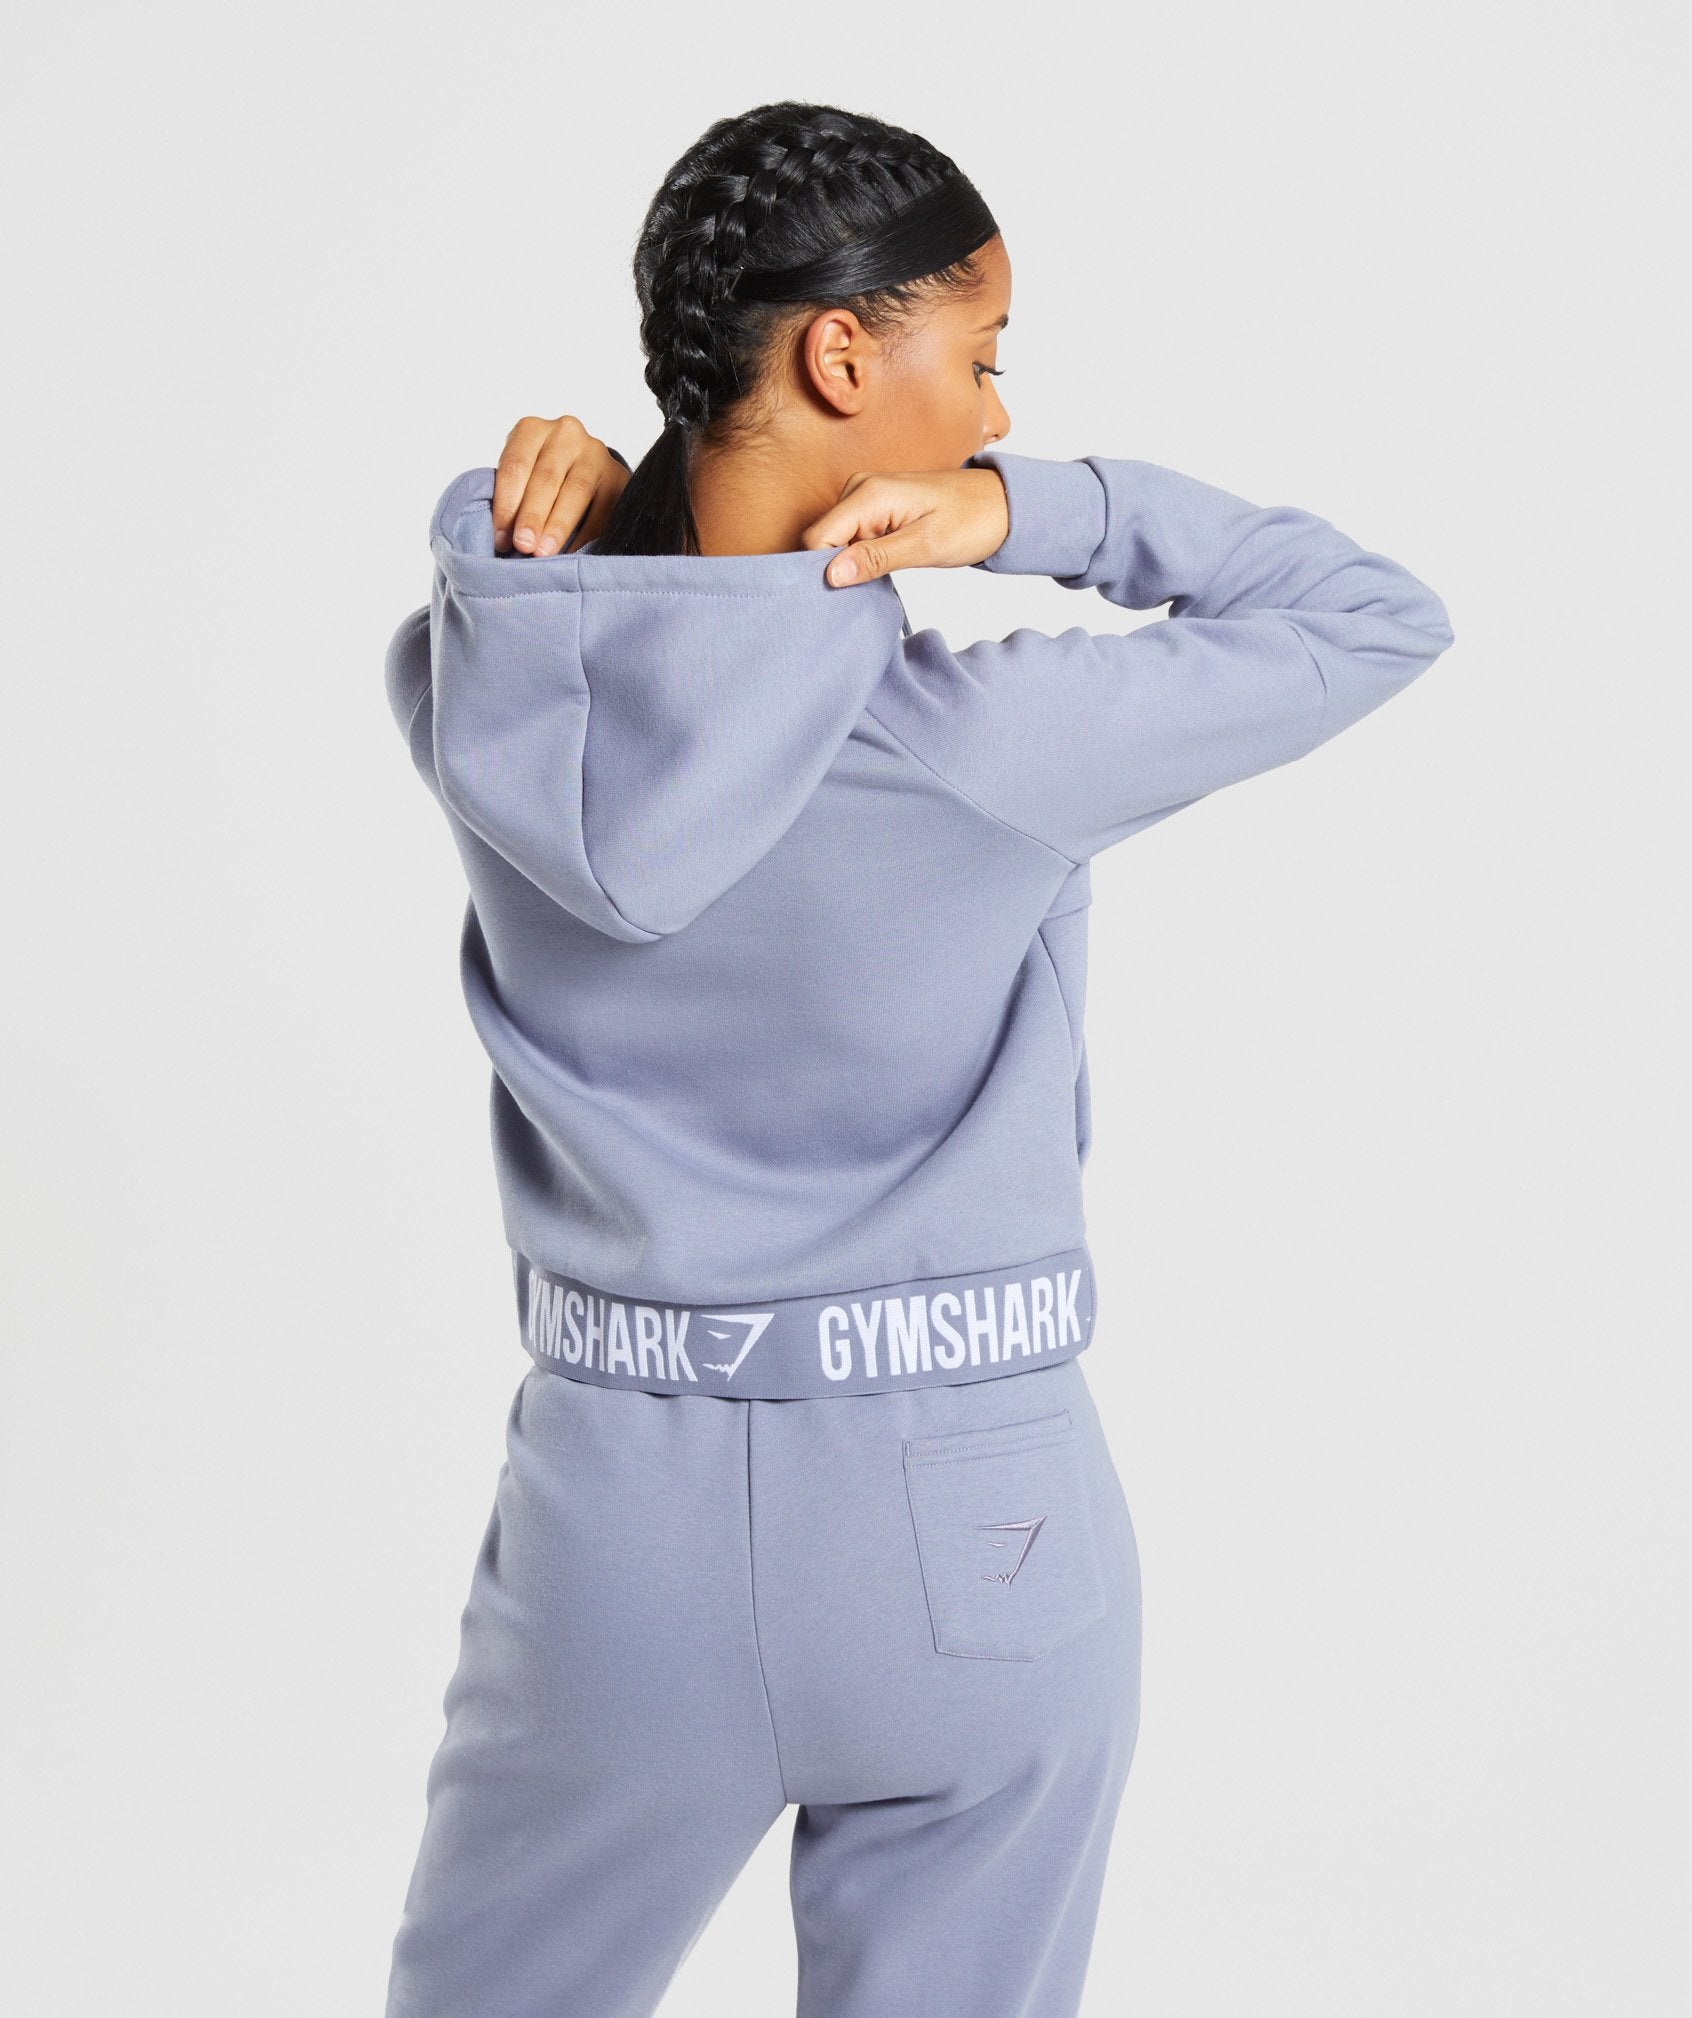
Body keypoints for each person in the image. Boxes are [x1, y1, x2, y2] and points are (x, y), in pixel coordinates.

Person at [380, 99, 1454, 2018]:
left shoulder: (493, 692)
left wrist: (563, 525)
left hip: (615, 1528)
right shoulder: (987, 750)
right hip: (979, 1520)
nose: (994, 413)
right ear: (841, 355)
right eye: (983, 357)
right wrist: (1037, 516)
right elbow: (1374, 616)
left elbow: (541, 610)